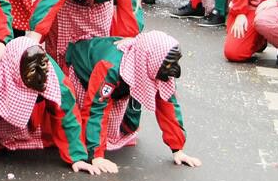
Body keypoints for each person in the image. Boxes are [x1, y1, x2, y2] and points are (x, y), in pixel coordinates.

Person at [0, 36, 100, 174]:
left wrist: (78, 157)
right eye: (33, 70)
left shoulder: (52, 78)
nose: (41, 76)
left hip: (26, 115)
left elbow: (67, 114)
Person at [66, 31, 201, 171]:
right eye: (169, 65)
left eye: (176, 62)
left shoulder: (152, 64)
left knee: (130, 126)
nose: (176, 71)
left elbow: (168, 103)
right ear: (152, 59)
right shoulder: (110, 66)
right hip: (83, 71)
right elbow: (95, 107)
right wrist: (96, 156)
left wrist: (178, 149)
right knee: (80, 131)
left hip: (121, 83)